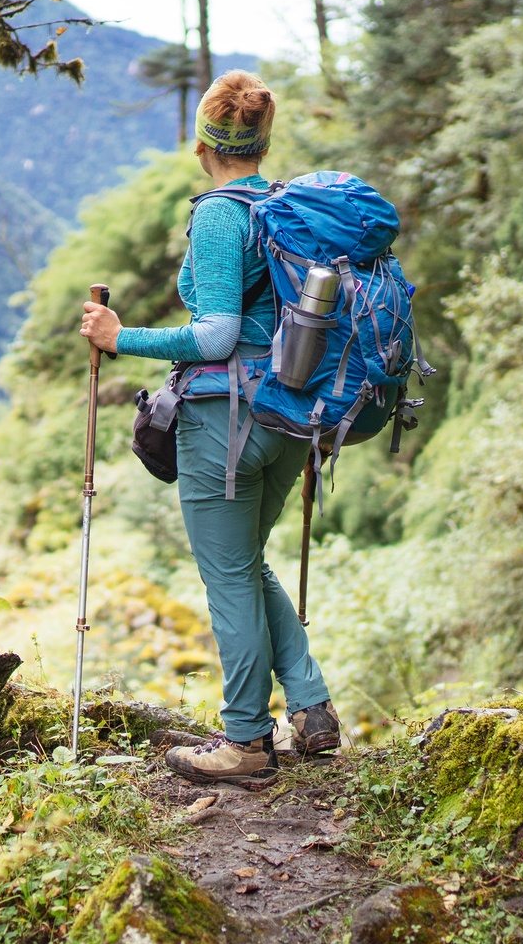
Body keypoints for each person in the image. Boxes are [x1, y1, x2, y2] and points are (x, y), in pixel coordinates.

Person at [79, 71, 340, 785]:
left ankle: (246, 744)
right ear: (262, 140)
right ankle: (312, 711)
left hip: (225, 419)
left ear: (203, 146)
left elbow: (219, 333)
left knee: (229, 575)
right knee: (246, 564)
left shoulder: (224, 215)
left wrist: (120, 337)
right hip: (289, 416)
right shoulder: (289, 207)